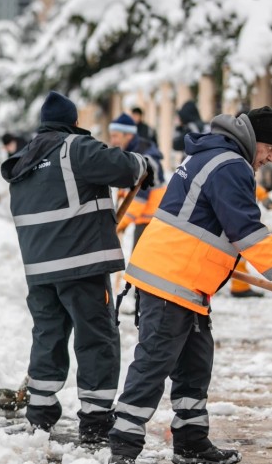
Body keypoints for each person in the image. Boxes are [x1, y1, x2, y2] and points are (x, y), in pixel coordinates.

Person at [108, 108, 272, 464]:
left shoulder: (213, 155)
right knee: (154, 364)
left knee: (195, 364)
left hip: (188, 282)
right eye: (269, 147)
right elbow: (248, 232)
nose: (270, 156)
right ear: (254, 139)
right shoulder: (230, 165)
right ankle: (123, 447)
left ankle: (191, 441)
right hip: (172, 279)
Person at [0, 91, 153, 444]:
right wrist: (146, 166)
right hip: (82, 265)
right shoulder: (74, 148)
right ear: (73, 123)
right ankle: (96, 421)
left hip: (40, 270)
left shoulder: (23, 161)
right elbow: (125, 167)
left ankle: (39, 414)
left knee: (48, 337)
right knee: (97, 338)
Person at [108, 113, 166, 247]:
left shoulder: (145, 159)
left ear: (128, 135)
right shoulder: (130, 154)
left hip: (151, 220)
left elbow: (140, 197)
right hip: (145, 218)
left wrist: (118, 225)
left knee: (139, 263)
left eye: (115, 136)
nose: (112, 141)